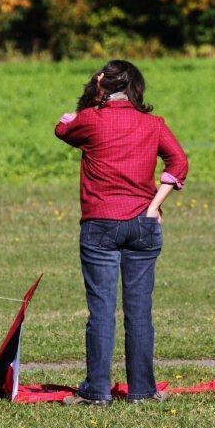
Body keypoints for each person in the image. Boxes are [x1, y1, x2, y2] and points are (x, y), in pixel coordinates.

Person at [55, 59, 188, 406]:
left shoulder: (89, 120)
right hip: (143, 224)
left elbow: (63, 127)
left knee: (101, 311)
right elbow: (179, 162)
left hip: (100, 224)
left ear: (103, 84)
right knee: (139, 312)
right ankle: (142, 390)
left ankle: (97, 390)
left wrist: (91, 93)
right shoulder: (153, 124)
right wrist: (155, 205)